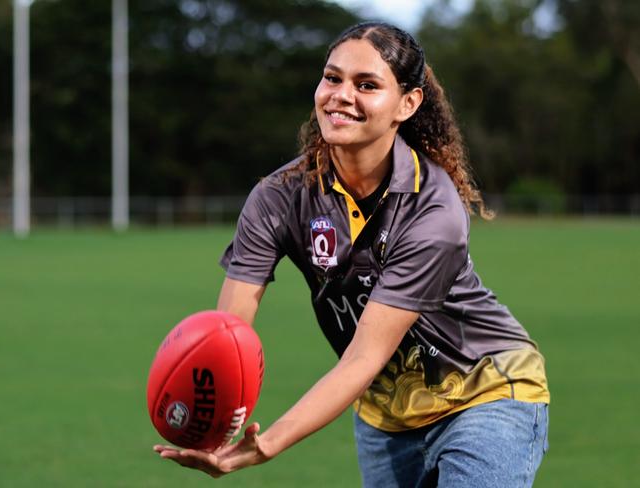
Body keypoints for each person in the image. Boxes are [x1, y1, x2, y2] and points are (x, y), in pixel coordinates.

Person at [154, 21, 550, 487]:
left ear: (408, 103)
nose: (341, 95)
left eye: (366, 85)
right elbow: (228, 333)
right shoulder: (278, 197)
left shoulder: (434, 209)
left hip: (485, 391)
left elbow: (363, 357)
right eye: (332, 77)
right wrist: (213, 417)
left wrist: (267, 443)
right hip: (385, 416)